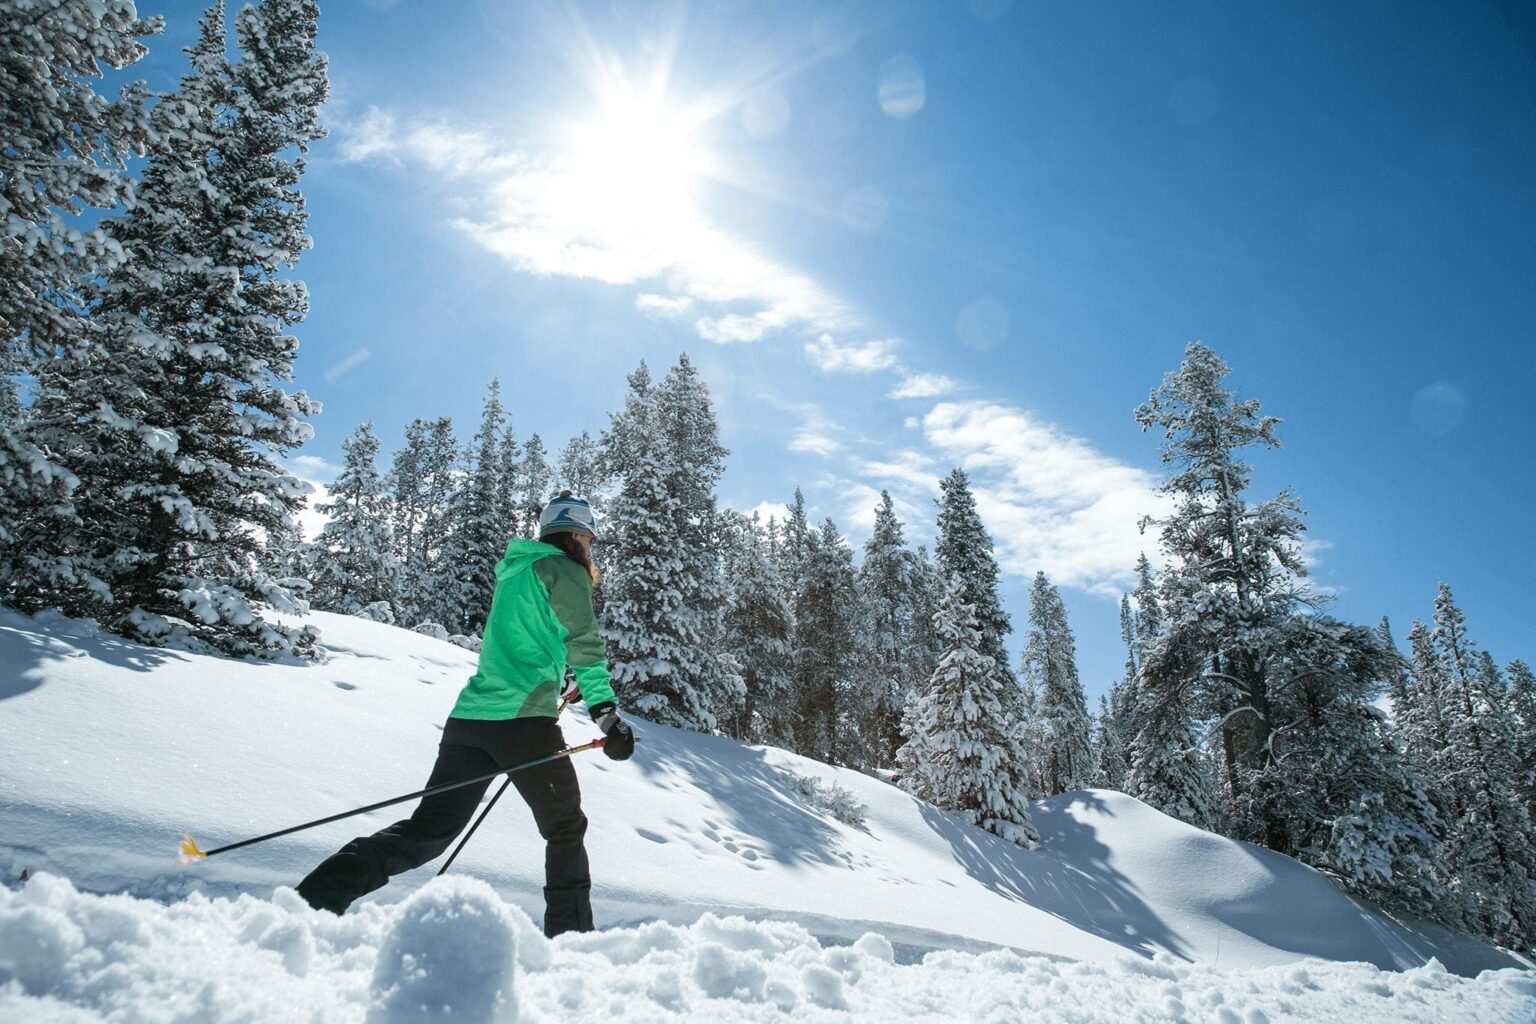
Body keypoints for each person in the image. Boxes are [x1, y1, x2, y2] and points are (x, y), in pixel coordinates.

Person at [295, 491, 635, 936]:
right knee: (565, 828)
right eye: (589, 538)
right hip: (523, 724)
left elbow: (525, 642)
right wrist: (606, 714)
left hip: (471, 720)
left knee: (429, 831)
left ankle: (313, 900)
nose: (590, 548)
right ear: (576, 535)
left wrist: (558, 679)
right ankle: (571, 939)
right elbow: (585, 645)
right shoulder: (565, 570)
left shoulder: (515, 573)